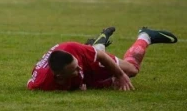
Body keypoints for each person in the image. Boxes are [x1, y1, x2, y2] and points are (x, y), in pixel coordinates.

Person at [27, 27, 178, 91]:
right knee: (105, 84)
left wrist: (120, 75)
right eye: (74, 69)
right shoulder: (41, 83)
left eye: (77, 65)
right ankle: (98, 43)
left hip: (87, 57)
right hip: (80, 63)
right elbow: (31, 80)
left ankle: (146, 36)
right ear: (58, 75)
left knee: (131, 70)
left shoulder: (73, 50)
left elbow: (100, 57)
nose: (79, 69)